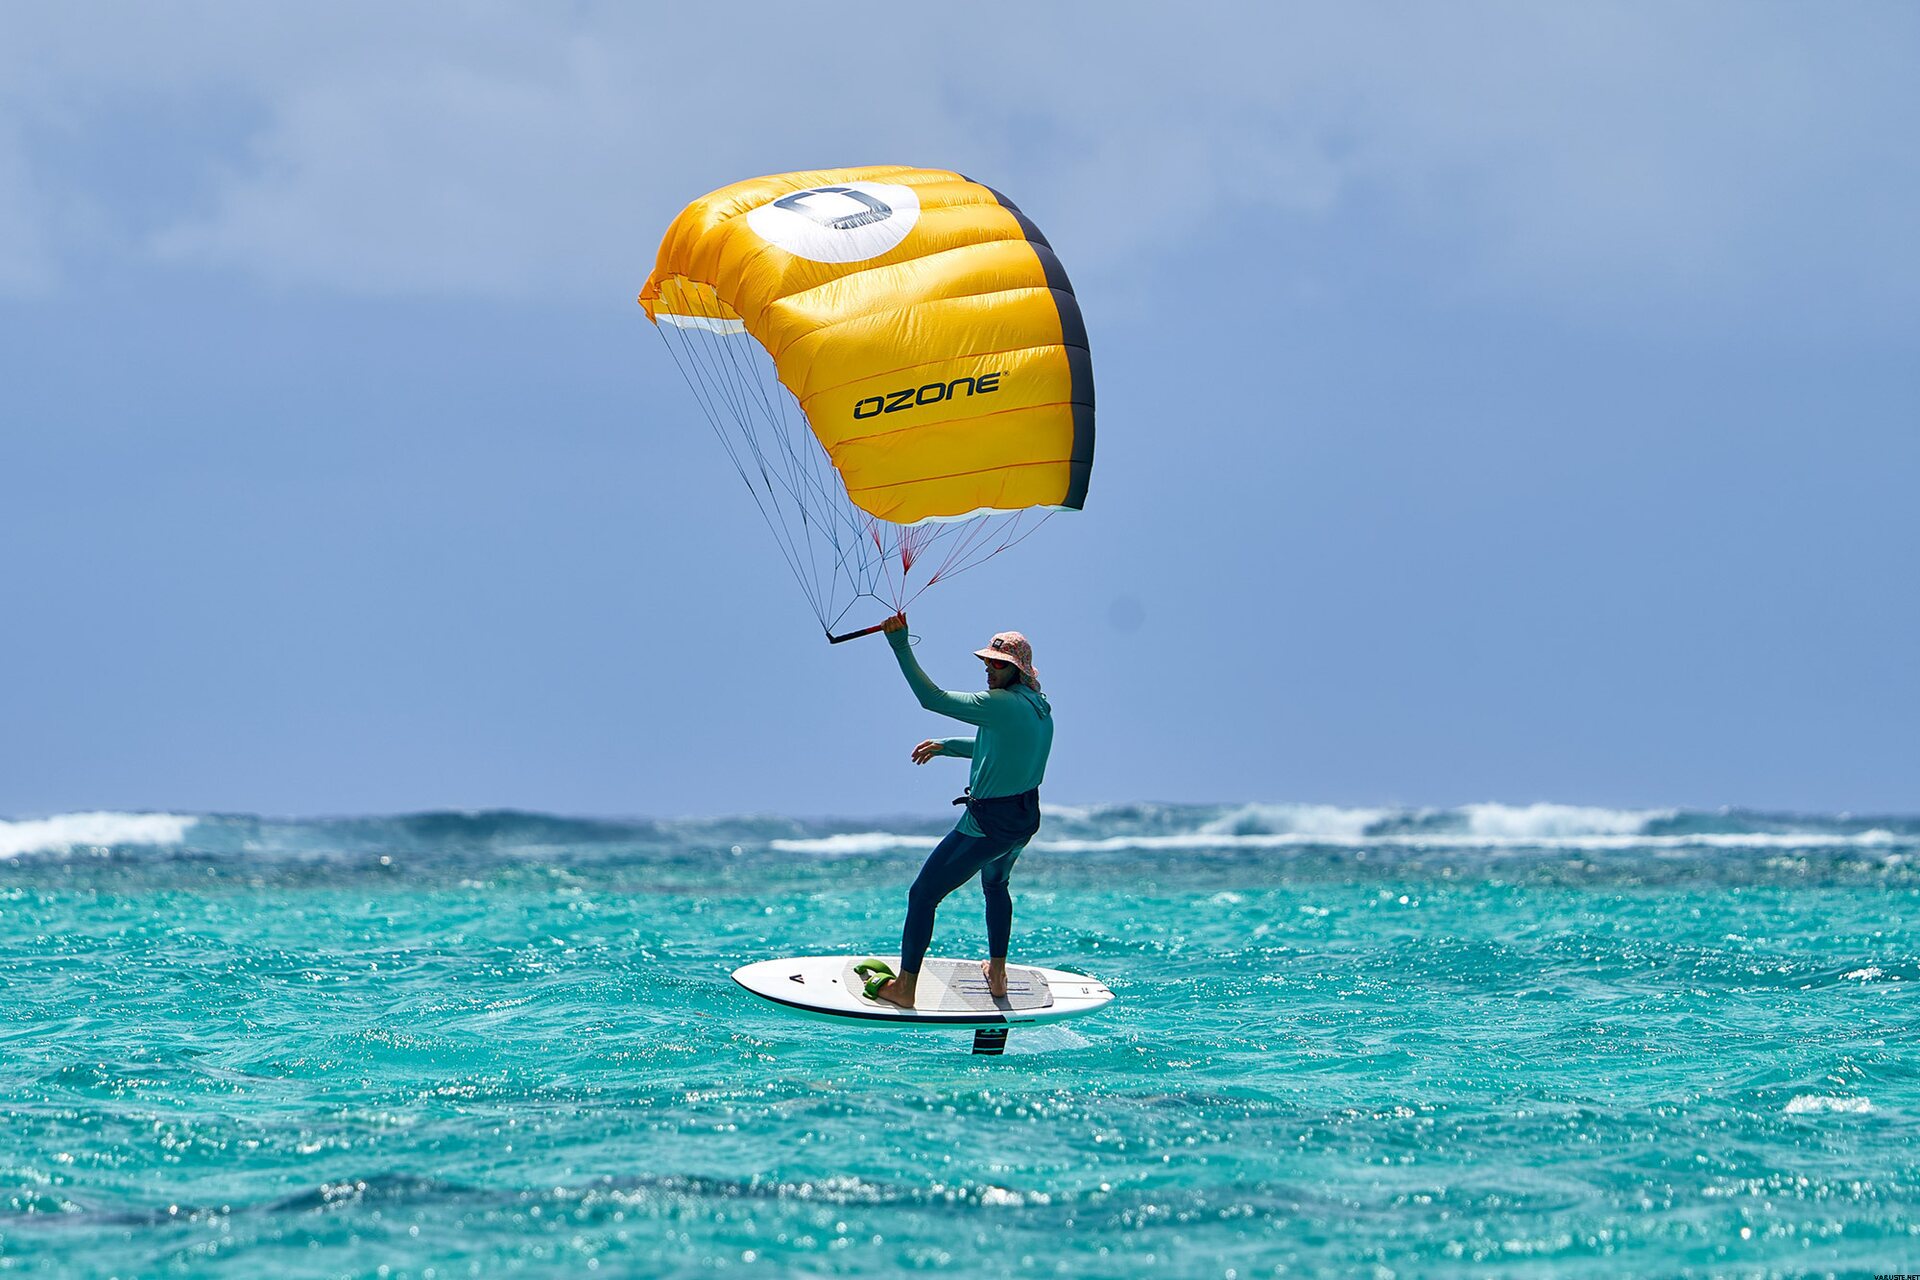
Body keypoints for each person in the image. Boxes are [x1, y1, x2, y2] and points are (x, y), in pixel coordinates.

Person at [865, 614, 1053, 1009]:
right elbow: (1001, 747)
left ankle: (904, 988)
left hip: (988, 825)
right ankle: (997, 974)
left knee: (922, 895)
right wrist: (947, 745)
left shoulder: (1000, 704)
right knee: (995, 886)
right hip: (1023, 820)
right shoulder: (1037, 706)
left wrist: (899, 644)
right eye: (987, 662)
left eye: (998, 664)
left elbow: (931, 698)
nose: (988, 669)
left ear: (1017, 669)